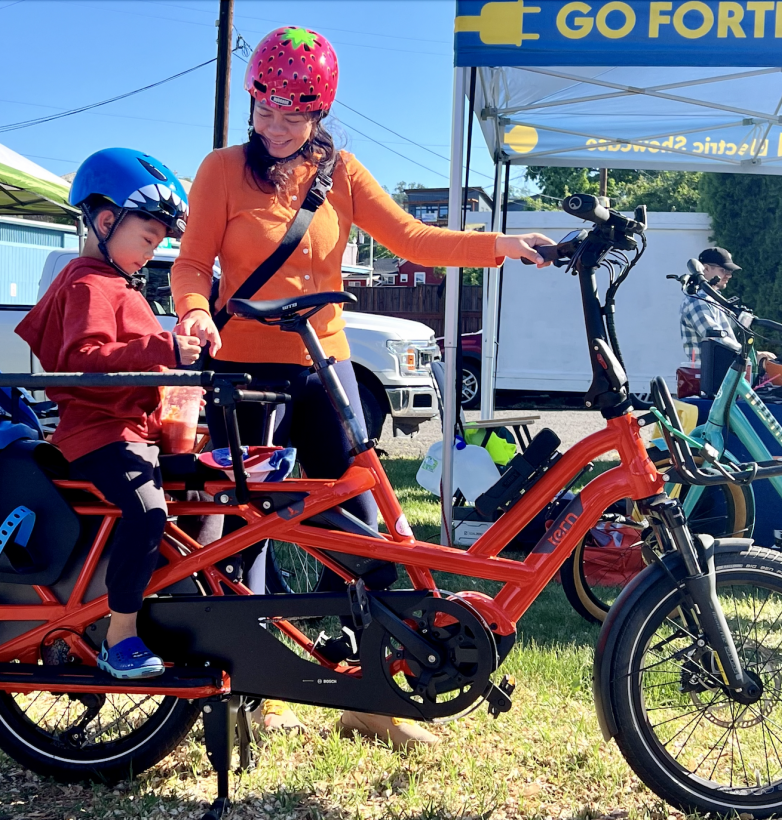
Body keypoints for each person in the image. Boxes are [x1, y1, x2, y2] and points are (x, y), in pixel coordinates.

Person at [171, 26, 553, 747]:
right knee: (243, 526)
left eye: (292, 114)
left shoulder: (339, 172)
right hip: (240, 370)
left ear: (319, 112)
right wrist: (194, 312)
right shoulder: (221, 169)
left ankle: (370, 703)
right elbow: (192, 265)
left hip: (324, 366)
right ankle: (248, 689)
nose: (274, 127)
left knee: (366, 534)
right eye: (263, 110)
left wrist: (497, 246)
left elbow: (414, 239)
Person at [16, 148, 199, 680]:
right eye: (147, 239)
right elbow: (81, 360)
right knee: (147, 511)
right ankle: (120, 638)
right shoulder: (87, 283)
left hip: (131, 430)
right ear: (105, 220)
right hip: (97, 435)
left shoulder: (117, 284)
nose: (153, 251)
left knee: (215, 492)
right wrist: (163, 350)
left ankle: (191, 605)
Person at [679, 247, 742, 362]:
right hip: (709, 376)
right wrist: (750, 355)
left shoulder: (712, 300)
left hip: (721, 374)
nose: (729, 275)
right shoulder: (698, 301)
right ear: (705, 269)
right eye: (724, 270)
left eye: (730, 271)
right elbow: (717, 340)